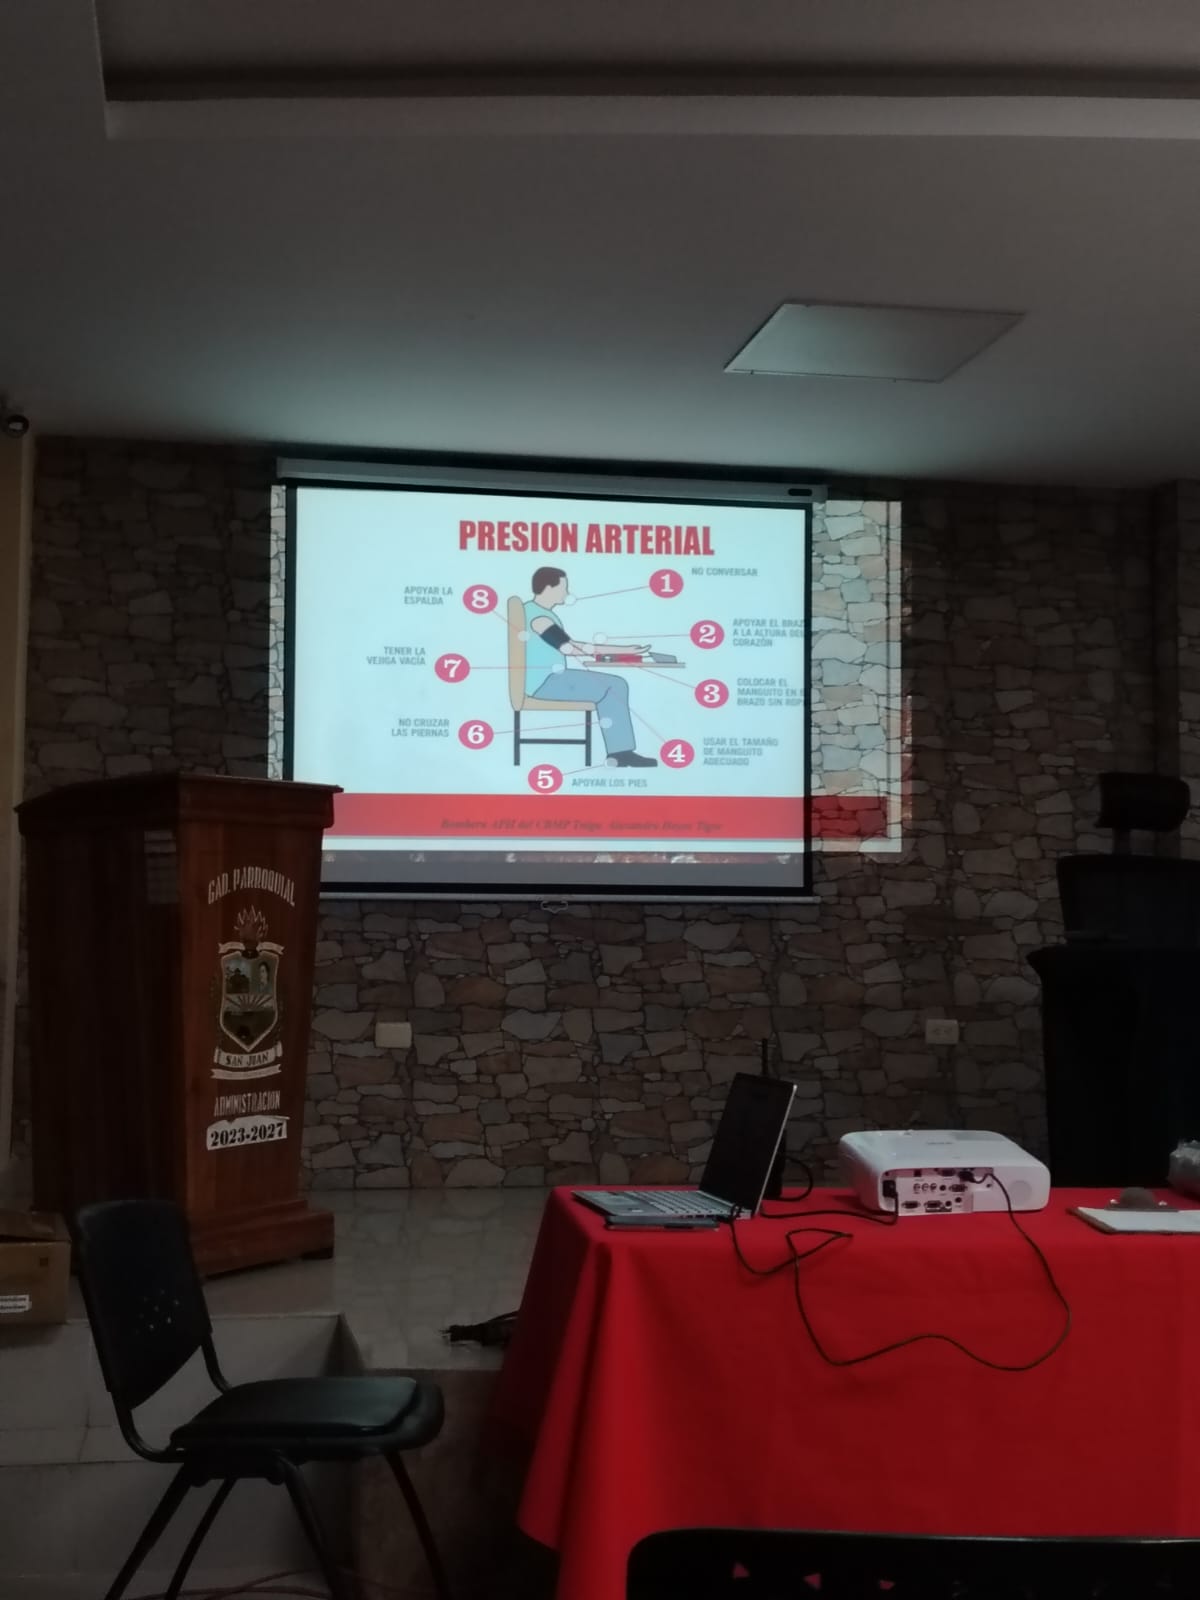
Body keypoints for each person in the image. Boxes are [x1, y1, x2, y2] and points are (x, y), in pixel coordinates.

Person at [523, 567, 657, 767]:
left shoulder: (532, 611)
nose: (566, 593)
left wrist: (625, 650)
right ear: (549, 588)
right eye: (563, 588)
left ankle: (619, 752)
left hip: (544, 680)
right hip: (545, 682)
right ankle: (621, 753)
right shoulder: (540, 618)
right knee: (614, 686)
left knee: (612, 685)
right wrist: (622, 651)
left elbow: (573, 645)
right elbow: (568, 648)